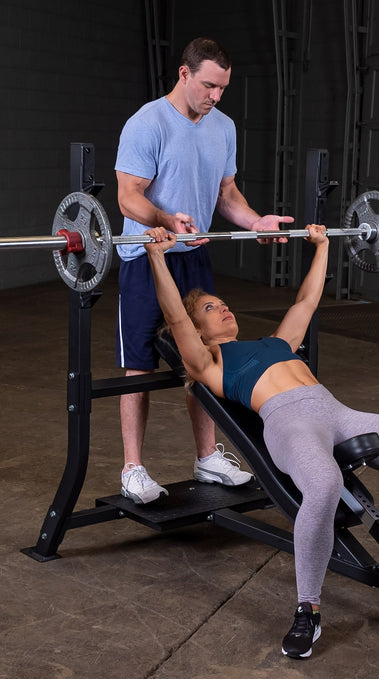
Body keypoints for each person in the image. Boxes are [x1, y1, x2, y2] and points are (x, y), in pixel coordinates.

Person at [142, 224, 379, 660]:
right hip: (289, 425)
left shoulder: (276, 343)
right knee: (323, 485)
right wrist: (156, 256)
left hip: (338, 413)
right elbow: (175, 317)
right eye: (211, 308)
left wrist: (322, 246)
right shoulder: (208, 362)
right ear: (196, 330)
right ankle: (308, 608)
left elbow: (306, 301)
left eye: (223, 302)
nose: (224, 307)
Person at [114, 37, 293, 504]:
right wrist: (163, 218)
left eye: (223, 88)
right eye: (209, 85)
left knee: (208, 357)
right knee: (139, 365)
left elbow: (226, 194)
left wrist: (255, 222)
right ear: (184, 74)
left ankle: (207, 456)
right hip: (147, 254)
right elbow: (128, 196)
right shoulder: (147, 123)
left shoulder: (223, 127)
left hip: (194, 256)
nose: (215, 96)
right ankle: (133, 468)